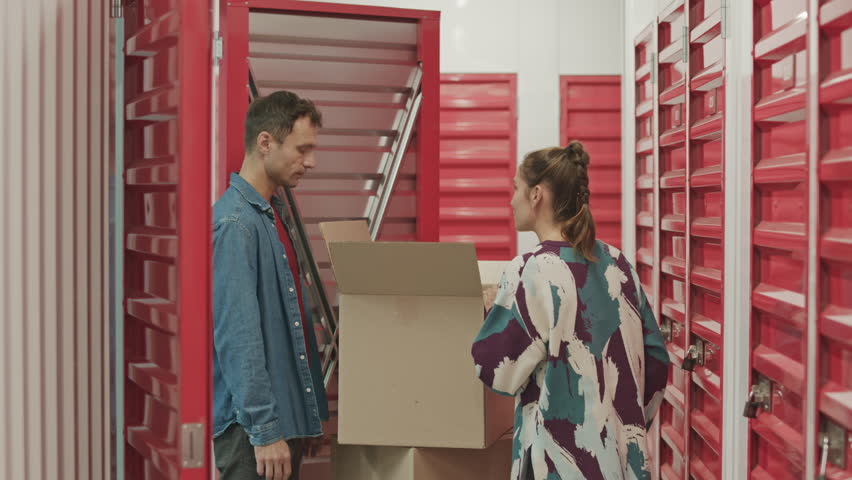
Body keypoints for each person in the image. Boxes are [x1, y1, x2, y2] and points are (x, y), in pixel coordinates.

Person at [471, 142, 670, 480]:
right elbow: (656, 361)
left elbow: (496, 371)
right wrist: (624, 426)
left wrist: (494, 312)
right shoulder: (618, 265)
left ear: (536, 195)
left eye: (515, 188)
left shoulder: (529, 271)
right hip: (622, 464)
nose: (511, 200)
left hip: (558, 465)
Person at [213, 91, 329, 480]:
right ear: (265, 143)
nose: (311, 162)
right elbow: (238, 335)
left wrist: (304, 417)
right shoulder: (235, 225)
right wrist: (264, 431)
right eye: (302, 149)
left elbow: (291, 327)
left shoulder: (274, 215)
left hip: (280, 426)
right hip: (252, 437)